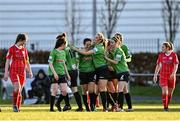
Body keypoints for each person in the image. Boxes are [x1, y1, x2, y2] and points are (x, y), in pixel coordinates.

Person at [71, 33, 112, 112]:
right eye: (86, 44)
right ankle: (89, 107)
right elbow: (77, 59)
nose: (94, 39)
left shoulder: (98, 48)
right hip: (88, 71)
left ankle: (101, 107)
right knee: (90, 90)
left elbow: (87, 53)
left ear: (99, 39)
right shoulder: (93, 47)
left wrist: (75, 49)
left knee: (98, 89)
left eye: (96, 37)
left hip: (98, 70)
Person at [4, 33, 33, 112]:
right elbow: (7, 61)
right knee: (17, 87)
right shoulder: (12, 49)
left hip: (22, 72)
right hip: (14, 71)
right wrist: (6, 73)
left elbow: (27, 62)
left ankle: (18, 107)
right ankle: (14, 105)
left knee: (19, 90)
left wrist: (30, 72)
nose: (25, 43)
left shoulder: (24, 50)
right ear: (20, 40)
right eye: (24, 41)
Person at [104, 38, 133, 112]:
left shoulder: (119, 51)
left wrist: (106, 58)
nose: (111, 44)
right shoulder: (114, 51)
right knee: (125, 90)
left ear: (117, 43)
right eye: (110, 43)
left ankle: (120, 108)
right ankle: (129, 107)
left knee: (120, 90)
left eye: (113, 43)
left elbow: (116, 62)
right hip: (120, 73)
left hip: (123, 72)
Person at [153, 42, 179, 111]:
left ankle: (167, 105)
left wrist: (173, 73)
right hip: (163, 76)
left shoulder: (174, 55)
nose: (162, 48)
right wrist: (155, 75)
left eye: (163, 47)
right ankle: (165, 107)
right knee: (165, 92)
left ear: (167, 48)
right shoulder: (161, 55)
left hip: (171, 77)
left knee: (170, 94)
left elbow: (176, 65)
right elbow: (158, 65)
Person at [48, 33, 71, 112]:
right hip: (54, 74)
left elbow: (64, 64)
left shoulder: (64, 52)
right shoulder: (53, 52)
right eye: (66, 44)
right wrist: (54, 73)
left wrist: (67, 74)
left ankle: (58, 103)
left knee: (64, 91)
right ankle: (51, 109)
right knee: (54, 91)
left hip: (62, 74)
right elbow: (50, 63)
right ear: (62, 44)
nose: (66, 46)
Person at [64, 37, 83, 112]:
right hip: (74, 70)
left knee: (64, 89)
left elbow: (63, 62)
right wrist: (76, 65)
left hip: (69, 71)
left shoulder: (64, 50)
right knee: (73, 89)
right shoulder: (72, 47)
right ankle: (79, 107)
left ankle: (67, 105)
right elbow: (78, 57)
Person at [78, 38, 97, 111]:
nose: (88, 46)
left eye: (90, 44)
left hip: (91, 72)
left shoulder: (93, 51)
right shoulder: (80, 52)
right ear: (84, 44)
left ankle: (92, 106)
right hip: (83, 72)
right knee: (84, 91)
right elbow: (77, 61)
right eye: (87, 44)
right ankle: (86, 107)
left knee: (91, 90)